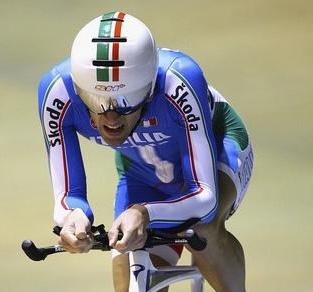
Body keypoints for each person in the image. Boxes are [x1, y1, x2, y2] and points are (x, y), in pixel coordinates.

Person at [38, 11, 253, 292]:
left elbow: (205, 196)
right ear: (79, 89)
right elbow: (67, 197)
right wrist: (73, 217)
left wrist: (145, 213)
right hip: (142, 169)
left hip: (217, 149)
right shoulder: (57, 93)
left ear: (150, 89)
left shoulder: (180, 80)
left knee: (204, 230)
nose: (111, 118)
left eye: (125, 100)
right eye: (96, 99)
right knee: (125, 252)